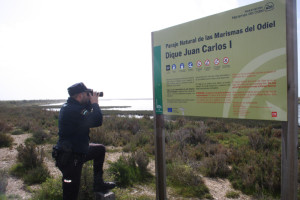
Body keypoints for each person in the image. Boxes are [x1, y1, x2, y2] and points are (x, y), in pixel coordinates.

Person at [52, 82, 115, 200]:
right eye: (87, 94)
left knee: (99, 150)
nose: (89, 96)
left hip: (79, 152)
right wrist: (95, 103)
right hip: (70, 159)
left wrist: (90, 101)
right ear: (80, 96)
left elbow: (85, 111)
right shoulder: (73, 110)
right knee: (70, 194)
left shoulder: (72, 106)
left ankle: (98, 184)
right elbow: (97, 120)